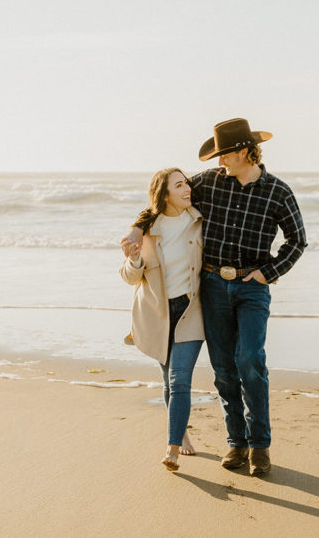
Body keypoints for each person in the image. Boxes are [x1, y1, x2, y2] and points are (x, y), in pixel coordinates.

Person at [123, 118, 307, 476]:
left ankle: (260, 446)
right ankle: (236, 443)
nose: (218, 161)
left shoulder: (278, 192)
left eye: (224, 155)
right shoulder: (208, 184)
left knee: (250, 361)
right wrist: (137, 225)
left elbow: (297, 240)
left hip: (252, 288)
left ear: (242, 152)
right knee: (224, 369)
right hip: (211, 287)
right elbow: (165, 198)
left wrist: (267, 272)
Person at [119, 167, 205, 471]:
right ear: (164, 194)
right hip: (157, 313)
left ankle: (171, 448)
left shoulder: (198, 219)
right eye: (178, 185)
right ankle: (181, 433)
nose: (187, 189)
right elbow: (130, 278)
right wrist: (134, 257)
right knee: (169, 383)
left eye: (187, 183)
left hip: (191, 311)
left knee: (180, 379)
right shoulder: (148, 229)